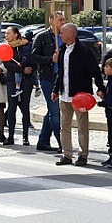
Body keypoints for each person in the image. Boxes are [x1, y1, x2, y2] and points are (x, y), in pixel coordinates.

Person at [52, 23, 106, 166]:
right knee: (65, 126)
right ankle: (67, 154)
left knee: (82, 126)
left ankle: (83, 154)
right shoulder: (63, 49)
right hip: (65, 95)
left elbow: (94, 70)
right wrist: (55, 90)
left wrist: (100, 87)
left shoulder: (84, 51)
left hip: (80, 96)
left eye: (62, 32)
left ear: (71, 34)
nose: (60, 35)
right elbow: (61, 72)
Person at [31, 11, 66, 151]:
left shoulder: (64, 36)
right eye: (60, 20)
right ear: (51, 21)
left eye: (64, 19)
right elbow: (34, 56)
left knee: (51, 111)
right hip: (48, 78)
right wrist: (50, 59)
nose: (62, 22)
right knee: (55, 111)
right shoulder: (42, 37)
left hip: (62, 77)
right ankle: (62, 143)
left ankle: (43, 141)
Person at [3, 26, 35, 146]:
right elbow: (7, 64)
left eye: (9, 33)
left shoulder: (25, 46)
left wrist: (29, 69)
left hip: (27, 80)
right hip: (12, 80)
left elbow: (32, 60)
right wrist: (21, 70)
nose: (7, 35)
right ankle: (10, 136)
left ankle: (25, 137)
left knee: (25, 107)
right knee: (12, 108)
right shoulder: (6, 47)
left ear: (16, 34)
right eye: (6, 34)